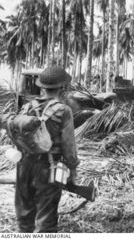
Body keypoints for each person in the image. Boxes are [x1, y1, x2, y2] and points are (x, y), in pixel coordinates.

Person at [14, 66, 79, 232]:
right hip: (48, 167)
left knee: (25, 217)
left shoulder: (26, 108)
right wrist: (71, 171)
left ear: (42, 87)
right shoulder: (64, 111)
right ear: (63, 87)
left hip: (23, 165)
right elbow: (69, 146)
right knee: (46, 220)